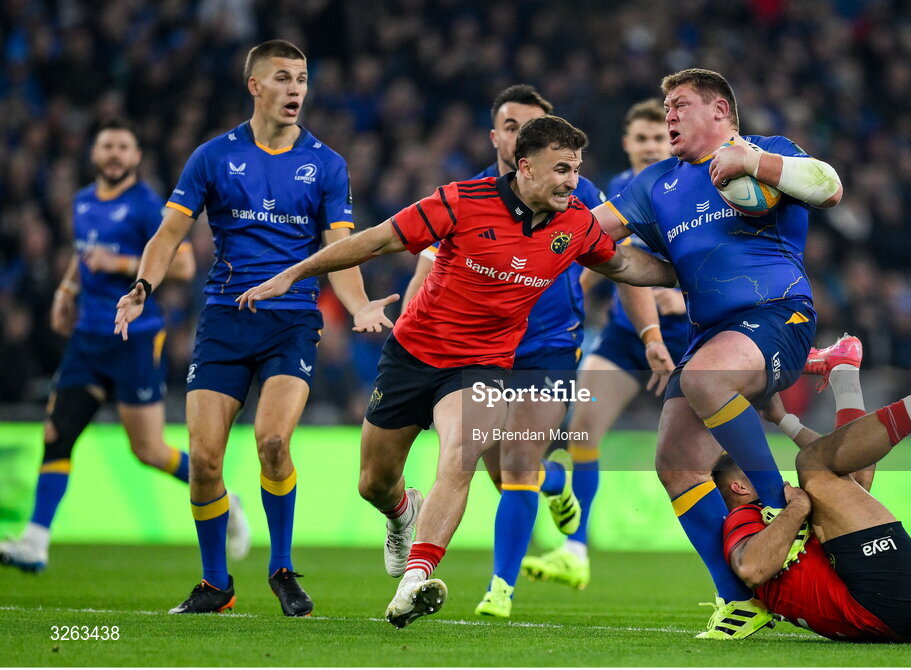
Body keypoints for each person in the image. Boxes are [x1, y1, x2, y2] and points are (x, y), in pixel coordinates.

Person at [234, 115, 679, 628]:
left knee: (462, 456)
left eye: (575, 170)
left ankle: (414, 580)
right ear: (525, 166)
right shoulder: (462, 200)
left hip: (485, 364)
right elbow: (377, 240)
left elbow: (625, 267)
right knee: (373, 483)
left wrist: (693, 271)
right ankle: (402, 513)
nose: (572, 182)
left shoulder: (575, 223)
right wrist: (292, 274)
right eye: (561, 169)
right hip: (413, 354)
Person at [114, 40, 396, 616]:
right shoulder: (213, 158)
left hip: (291, 321)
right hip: (224, 319)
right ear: (255, 86)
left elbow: (338, 250)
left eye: (303, 79)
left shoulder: (327, 164)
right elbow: (168, 235)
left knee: (272, 441)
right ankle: (216, 585)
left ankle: (283, 567)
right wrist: (142, 286)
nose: (296, 89)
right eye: (284, 78)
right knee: (206, 459)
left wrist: (361, 304)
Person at [590, 68, 843, 638]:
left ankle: (781, 507)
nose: (668, 116)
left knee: (707, 378)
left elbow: (830, 187)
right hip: (711, 336)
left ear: (721, 111)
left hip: (780, 316)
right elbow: (597, 235)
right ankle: (741, 600)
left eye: (679, 105)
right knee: (675, 462)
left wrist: (751, 163)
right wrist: (560, 240)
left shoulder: (769, 151)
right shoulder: (656, 184)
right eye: (665, 106)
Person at [0, 120, 252, 572]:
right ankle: (36, 543)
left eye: (123, 147)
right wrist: (66, 291)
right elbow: (83, 257)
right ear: (95, 155)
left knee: (149, 450)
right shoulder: (81, 202)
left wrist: (117, 262)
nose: (114, 154)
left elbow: (183, 265)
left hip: (134, 340)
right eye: (107, 147)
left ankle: (226, 499)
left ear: (136, 157)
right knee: (57, 434)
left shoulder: (146, 206)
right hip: (87, 340)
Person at [401, 83, 605, 618]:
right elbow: (427, 267)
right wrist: (408, 326)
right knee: (502, 470)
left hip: (549, 345)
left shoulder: (579, 196)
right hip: (480, 351)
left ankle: (500, 591)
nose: (521, 135)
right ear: (500, 139)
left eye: (532, 126)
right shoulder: (467, 199)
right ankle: (556, 483)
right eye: (512, 126)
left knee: (516, 465)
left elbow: (617, 261)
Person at [714, 316, 911, 642]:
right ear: (738, 486)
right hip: (886, 601)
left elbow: (847, 470)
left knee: (844, 475)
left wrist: (783, 419)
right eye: (752, 469)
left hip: (909, 604)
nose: (765, 468)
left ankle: (844, 368)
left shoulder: (776, 514)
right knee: (812, 464)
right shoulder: (744, 518)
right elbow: (751, 568)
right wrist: (796, 509)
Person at [522, 99, 691, 590]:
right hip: (624, 334)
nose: (650, 146)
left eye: (658, 138)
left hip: (691, 338)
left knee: (709, 455)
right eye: (641, 138)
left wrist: (682, 293)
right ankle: (575, 548)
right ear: (627, 143)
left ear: (672, 141)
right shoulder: (617, 191)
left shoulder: (697, 187)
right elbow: (598, 259)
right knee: (582, 430)